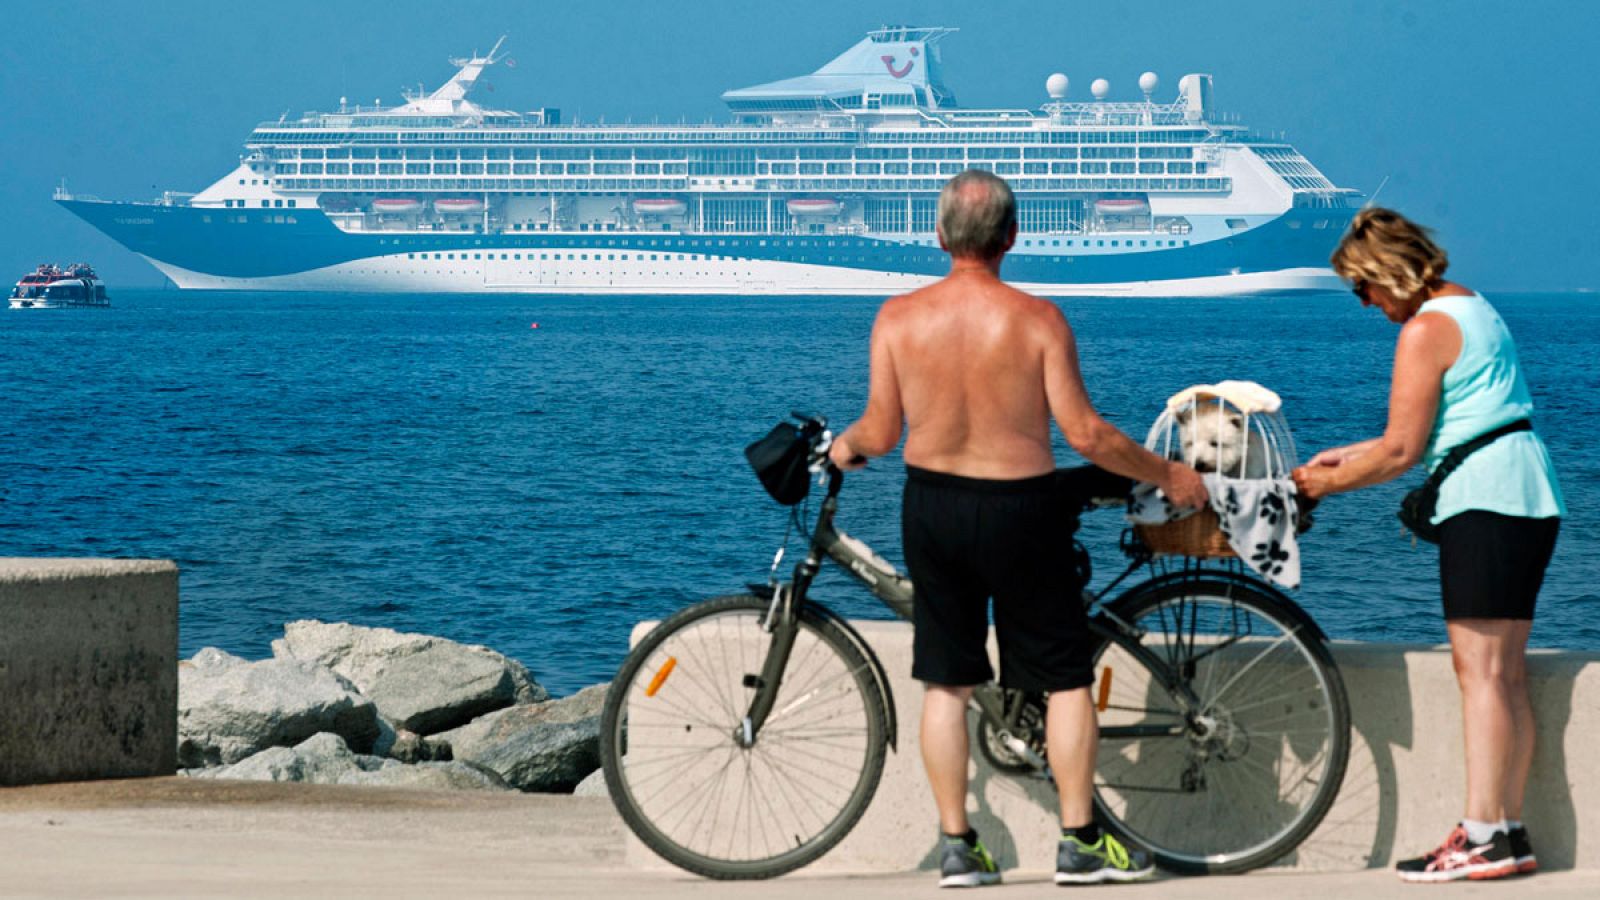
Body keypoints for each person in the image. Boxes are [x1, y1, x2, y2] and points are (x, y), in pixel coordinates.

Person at [828, 170, 1208, 888]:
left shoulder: (897, 318)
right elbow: (1088, 435)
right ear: (1012, 236)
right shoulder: (1038, 319)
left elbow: (879, 430)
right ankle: (1081, 843)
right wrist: (1168, 474)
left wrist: (843, 449)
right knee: (1064, 679)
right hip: (1019, 509)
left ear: (939, 236)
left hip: (933, 508)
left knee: (947, 684)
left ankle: (957, 848)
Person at [1293, 207, 1564, 883]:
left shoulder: (1424, 331)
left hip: (1483, 502)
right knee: (1506, 676)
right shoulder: (1473, 308)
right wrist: (1344, 457)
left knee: (1478, 675)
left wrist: (1320, 487)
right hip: (1528, 493)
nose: (1366, 303)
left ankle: (1478, 835)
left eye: (1365, 288)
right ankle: (1506, 831)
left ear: (1390, 274)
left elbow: (1400, 451)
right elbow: (1459, 423)